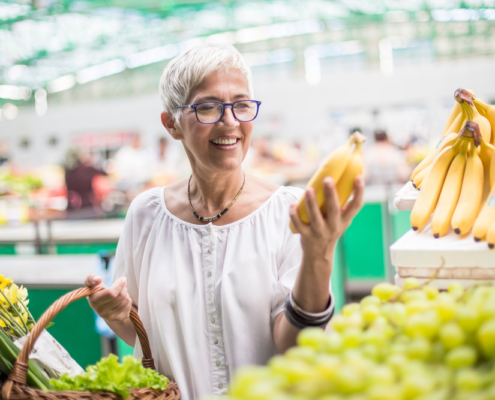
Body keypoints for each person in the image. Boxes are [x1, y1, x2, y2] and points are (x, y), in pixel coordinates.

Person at [84, 44, 364, 400]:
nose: (230, 121)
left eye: (241, 105)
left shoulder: (288, 212)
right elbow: (142, 333)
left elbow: (295, 346)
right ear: (171, 124)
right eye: (208, 107)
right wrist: (116, 314)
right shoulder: (146, 215)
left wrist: (320, 255)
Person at [64, 148, 106, 218]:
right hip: (87, 208)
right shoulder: (87, 171)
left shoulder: (67, 172)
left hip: (71, 208)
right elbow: (104, 173)